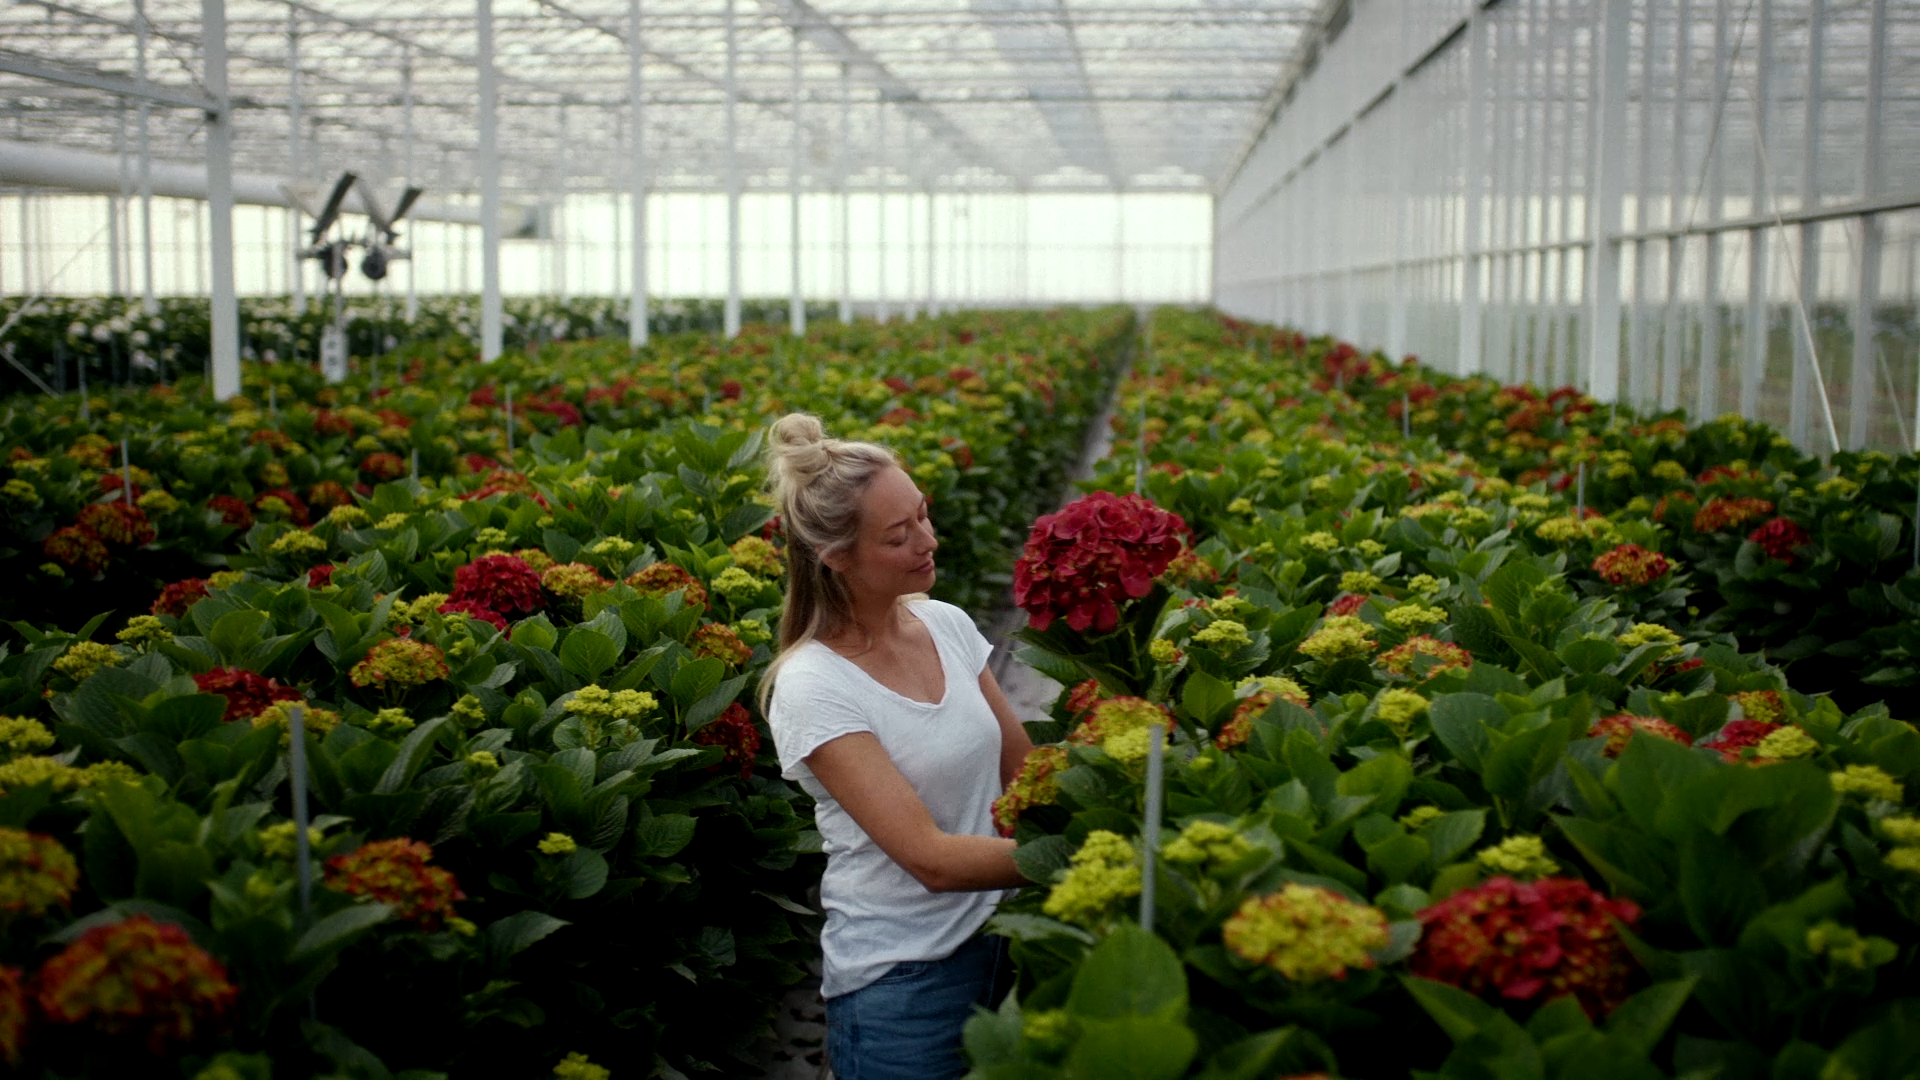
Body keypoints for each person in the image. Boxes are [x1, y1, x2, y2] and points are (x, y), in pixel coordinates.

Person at [760, 412, 1034, 1080]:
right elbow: (931, 860)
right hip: (907, 988)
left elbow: (1023, 765)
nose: (927, 541)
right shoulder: (813, 685)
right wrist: (1097, 861)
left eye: (923, 515)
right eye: (897, 534)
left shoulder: (945, 623)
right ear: (836, 558)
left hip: (1014, 941)